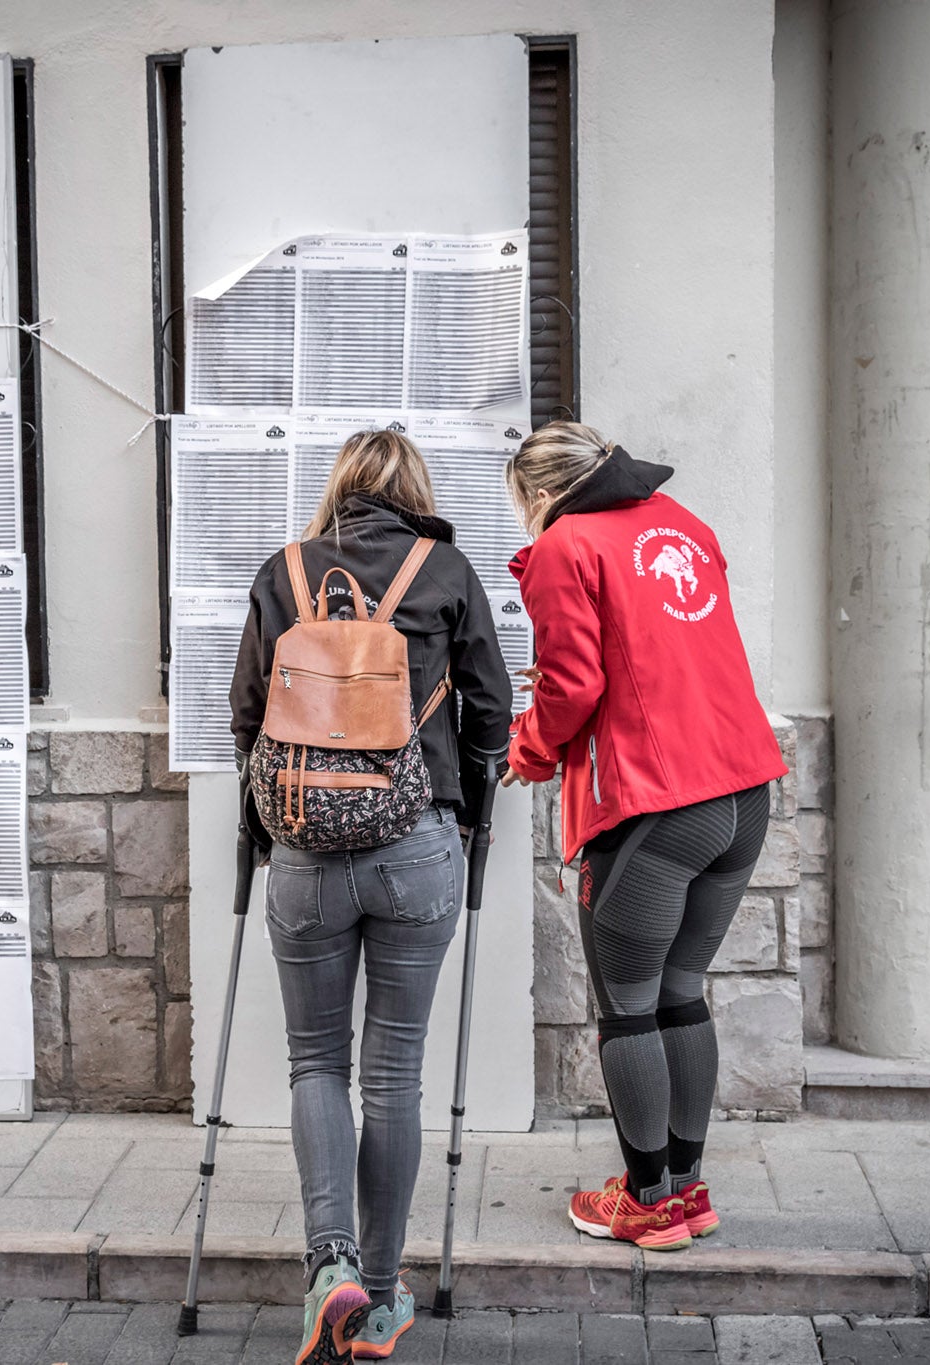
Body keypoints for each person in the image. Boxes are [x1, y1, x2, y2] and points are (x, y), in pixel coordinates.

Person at [231, 428, 512, 1364]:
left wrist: (268, 820)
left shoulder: (285, 572)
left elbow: (245, 715)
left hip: (306, 850)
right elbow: (492, 711)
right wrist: (469, 809)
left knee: (317, 1061)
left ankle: (331, 1265)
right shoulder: (448, 570)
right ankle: (383, 1303)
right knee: (394, 1073)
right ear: (414, 489)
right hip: (415, 845)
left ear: (341, 487)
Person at [501, 422, 786, 1252]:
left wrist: (529, 747)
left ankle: (648, 1202)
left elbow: (574, 684)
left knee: (626, 1007)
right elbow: (661, 652)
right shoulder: (683, 523)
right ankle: (688, 1191)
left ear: (538, 491)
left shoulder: (566, 543)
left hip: (656, 802)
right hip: (741, 791)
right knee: (681, 989)